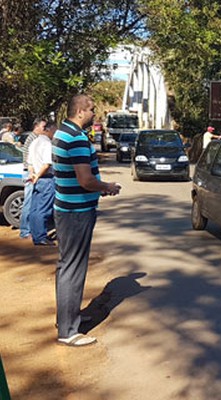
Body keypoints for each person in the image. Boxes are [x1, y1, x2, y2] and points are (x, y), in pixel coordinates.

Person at [52, 94, 121, 347]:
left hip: (66, 208)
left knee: (66, 265)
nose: (95, 114)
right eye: (92, 110)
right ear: (80, 111)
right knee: (73, 268)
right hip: (76, 212)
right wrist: (107, 187)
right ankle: (69, 331)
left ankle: (69, 318)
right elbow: (85, 180)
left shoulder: (62, 133)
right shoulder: (77, 138)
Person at [28, 121, 57, 246]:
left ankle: (35, 234)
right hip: (46, 178)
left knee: (34, 208)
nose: (54, 134)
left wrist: (33, 175)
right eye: (54, 131)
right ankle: (40, 236)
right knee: (43, 209)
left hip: (36, 178)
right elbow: (47, 164)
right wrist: (38, 175)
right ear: (48, 130)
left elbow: (29, 163)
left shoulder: (34, 142)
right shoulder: (46, 143)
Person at [20, 118, 48, 239]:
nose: (44, 129)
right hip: (31, 173)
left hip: (34, 173)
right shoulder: (33, 139)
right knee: (29, 202)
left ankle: (31, 229)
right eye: (43, 127)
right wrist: (32, 174)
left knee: (34, 203)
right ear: (36, 126)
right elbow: (28, 159)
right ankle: (25, 231)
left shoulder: (36, 138)